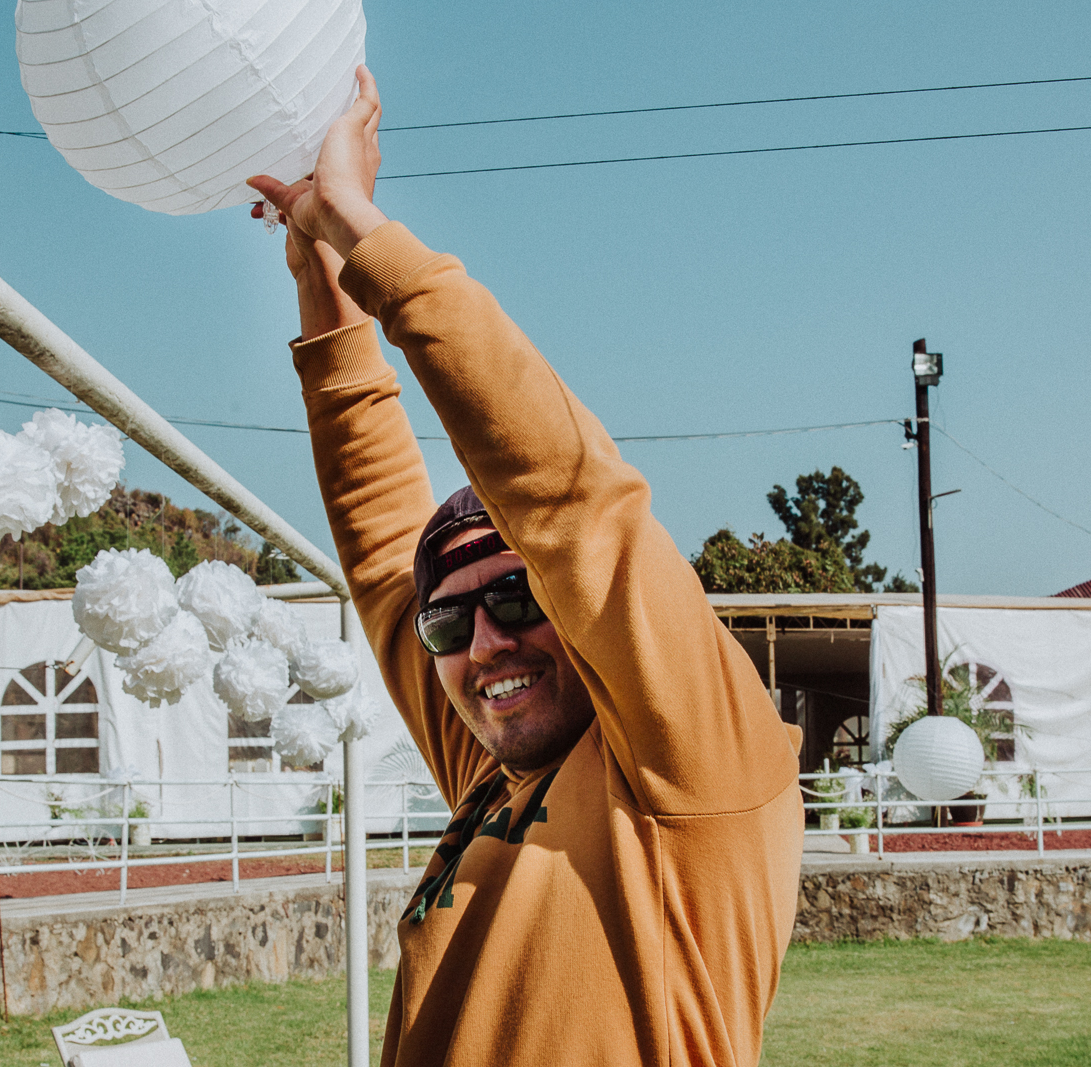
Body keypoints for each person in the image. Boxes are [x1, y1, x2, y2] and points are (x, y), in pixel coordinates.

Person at [248, 68, 804, 1067]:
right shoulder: (490, 772)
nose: (485, 640)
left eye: (515, 595)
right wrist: (318, 277)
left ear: (577, 599)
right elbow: (384, 557)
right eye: (451, 623)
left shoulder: (692, 761)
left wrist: (361, 229)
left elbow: (571, 498)